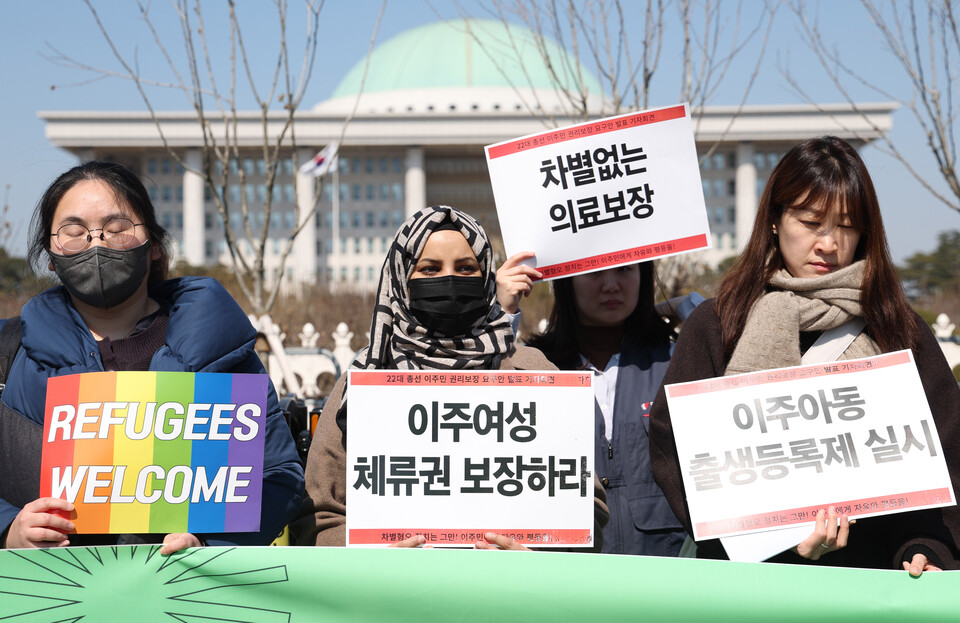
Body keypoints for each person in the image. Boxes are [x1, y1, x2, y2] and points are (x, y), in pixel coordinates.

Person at [648, 136, 960, 574]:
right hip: (746, 583)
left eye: (847, 225)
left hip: (874, 584)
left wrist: (925, 546)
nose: (828, 243)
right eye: (811, 221)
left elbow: (948, 454)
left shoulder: (898, 327)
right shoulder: (719, 321)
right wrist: (754, 539)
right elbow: (672, 442)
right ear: (775, 219)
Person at [0, 161, 304, 552]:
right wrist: (9, 529)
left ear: (154, 245)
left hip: (179, 597)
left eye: (117, 229)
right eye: (75, 232)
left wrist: (210, 540)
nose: (97, 245)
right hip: (45, 600)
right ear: (51, 255)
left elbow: (278, 477)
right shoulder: (8, 352)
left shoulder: (221, 351)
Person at [292, 205, 608, 548]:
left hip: (513, 597)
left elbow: (586, 511)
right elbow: (318, 516)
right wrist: (374, 559)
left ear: (485, 275)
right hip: (392, 598)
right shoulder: (365, 379)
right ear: (402, 279)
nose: (450, 280)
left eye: (465, 268)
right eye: (429, 269)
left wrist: (537, 554)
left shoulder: (532, 373)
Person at [498, 255, 700, 555]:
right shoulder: (533, 367)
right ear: (567, 282)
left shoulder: (677, 362)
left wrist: (697, 313)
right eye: (594, 273)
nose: (610, 285)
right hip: (567, 582)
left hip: (670, 583)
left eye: (624, 269)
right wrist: (501, 313)